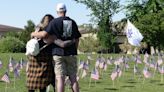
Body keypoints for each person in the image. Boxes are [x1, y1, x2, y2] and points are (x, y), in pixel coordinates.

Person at [31, 3, 81, 92]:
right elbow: (77, 39)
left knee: (60, 78)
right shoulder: (72, 22)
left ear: (57, 11)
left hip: (58, 53)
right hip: (71, 54)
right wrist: (74, 50)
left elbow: (44, 34)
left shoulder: (54, 22)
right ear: (65, 11)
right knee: (73, 78)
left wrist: (33, 34)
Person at [26, 14, 55, 92]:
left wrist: (32, 34)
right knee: (43, 83)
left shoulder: (37, 29)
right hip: (45, 58)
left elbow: (32, 38)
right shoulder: (50, 30)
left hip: (34, 57)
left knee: (32, 82)